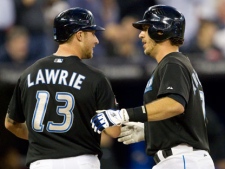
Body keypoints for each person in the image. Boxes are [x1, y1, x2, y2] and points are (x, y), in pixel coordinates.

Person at [91, 5, 215, 169]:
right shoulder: (176, 63)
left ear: (160, 30)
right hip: (179, 158)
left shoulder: (173, 62)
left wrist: (123, 115)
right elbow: (188, 121)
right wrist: (151, 131)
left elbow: (174, 104)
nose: (141, 34)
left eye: (146, 28)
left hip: (182, 159)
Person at [4, 7, 120, 169]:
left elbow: (10, 123)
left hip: (41, 163)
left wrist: (44, 138)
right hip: (81, 161)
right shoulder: (95, 77)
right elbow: (114, 131)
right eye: (92, 33)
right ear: (79, 35)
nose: (96, 40)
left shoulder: (29, 73)